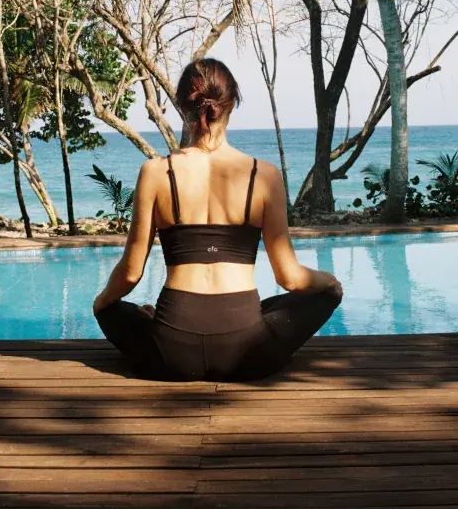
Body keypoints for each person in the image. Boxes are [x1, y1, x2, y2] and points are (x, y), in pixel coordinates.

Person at [93, 58, 342, 381]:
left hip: (171, 351)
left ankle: (156, 324)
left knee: (110, 308)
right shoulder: (263, 176)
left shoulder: (155, 172)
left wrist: (101, 303)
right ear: (232, 104)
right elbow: (290, 278)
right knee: (321, 294)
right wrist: (332, 283)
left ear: (183, 106)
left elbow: (130, 274)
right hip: (248, 352)